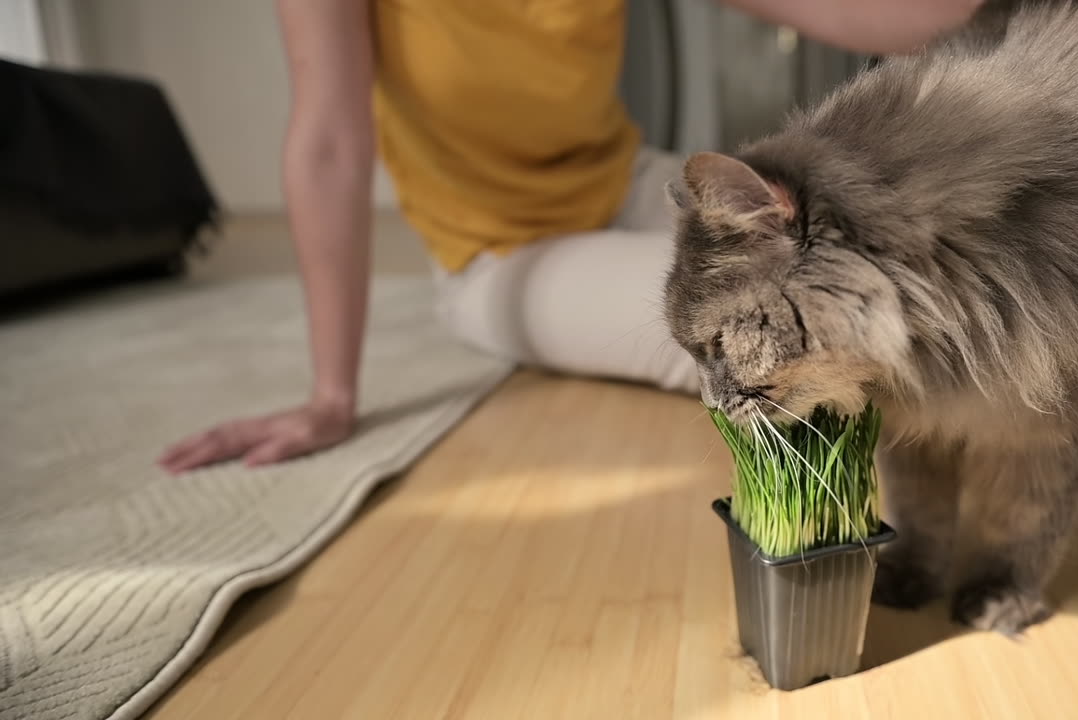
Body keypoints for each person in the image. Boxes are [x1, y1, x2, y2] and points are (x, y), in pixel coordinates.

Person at [159, 0, 984, 473]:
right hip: (499, 249)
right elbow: (330, 144)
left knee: (846, 257)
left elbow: (863, 11)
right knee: (751, 345)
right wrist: (329, 396)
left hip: (617, 177)